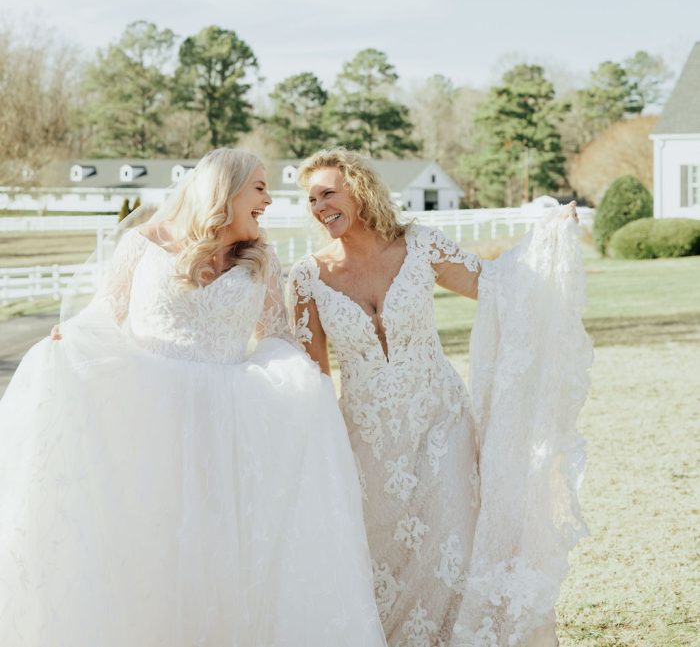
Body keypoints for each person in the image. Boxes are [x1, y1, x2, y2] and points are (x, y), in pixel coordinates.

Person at [0, 148, 387, 647]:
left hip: (227, 425)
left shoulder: (261, 259)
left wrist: (299, 380)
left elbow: (276, 335)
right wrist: (67, 343)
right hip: (150, 415)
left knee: (221, 551)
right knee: (150, 544)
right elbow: (103, 315)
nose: (269, 200)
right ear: (226, 189)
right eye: (261, 187)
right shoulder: (142, 245)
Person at [289, 147, 592, 647]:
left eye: (328, 193)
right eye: (311, 199)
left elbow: (500, 286)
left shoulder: (420, 246)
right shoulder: (307, 276)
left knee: (451, 543)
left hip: (440, 423)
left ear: (360, 190)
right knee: (383, 556)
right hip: (367, 440)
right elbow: (312, 374)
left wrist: (551, 238)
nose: (319, 206)